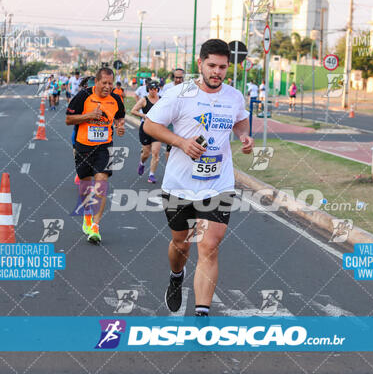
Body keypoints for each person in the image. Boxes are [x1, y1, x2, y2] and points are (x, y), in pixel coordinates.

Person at [143, 39, 254, 316]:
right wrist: (181, 143)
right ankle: (176, 275)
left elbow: (240, 118)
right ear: (200, 64)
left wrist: (242, 135)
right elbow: (150, 125)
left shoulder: (233, 96)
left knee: (209, 246)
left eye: (222, 67)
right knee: (181, 244)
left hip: (218, 184)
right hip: (180, 184)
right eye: (212, 66)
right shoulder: (181, 94)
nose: (217, 72)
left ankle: (201, 315)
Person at [65, 68, 125, 243]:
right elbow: (68, 119)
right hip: (83, 146)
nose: (107, 87)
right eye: (104, 83)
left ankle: (96, 227)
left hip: (104, 147)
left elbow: (120, 117)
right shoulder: (83, 96)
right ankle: (88, 217)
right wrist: (88, 116)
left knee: (101, 182)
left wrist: (120, 126)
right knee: (85, 185)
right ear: (97, 82)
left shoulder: (115, 99)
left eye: (110, 83)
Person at [131, 81, 162, 183]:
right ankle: (142, 163)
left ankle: (151, 175)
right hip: (145, 128)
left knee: (156, 153)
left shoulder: (161, 100)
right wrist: (144, 116)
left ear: (158, 89)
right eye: (151, 89)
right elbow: (133, 111)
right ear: (148, 89)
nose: (153, 91)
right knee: (146, 153)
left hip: (157, 129)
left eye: (155, 89)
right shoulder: (144, 100)